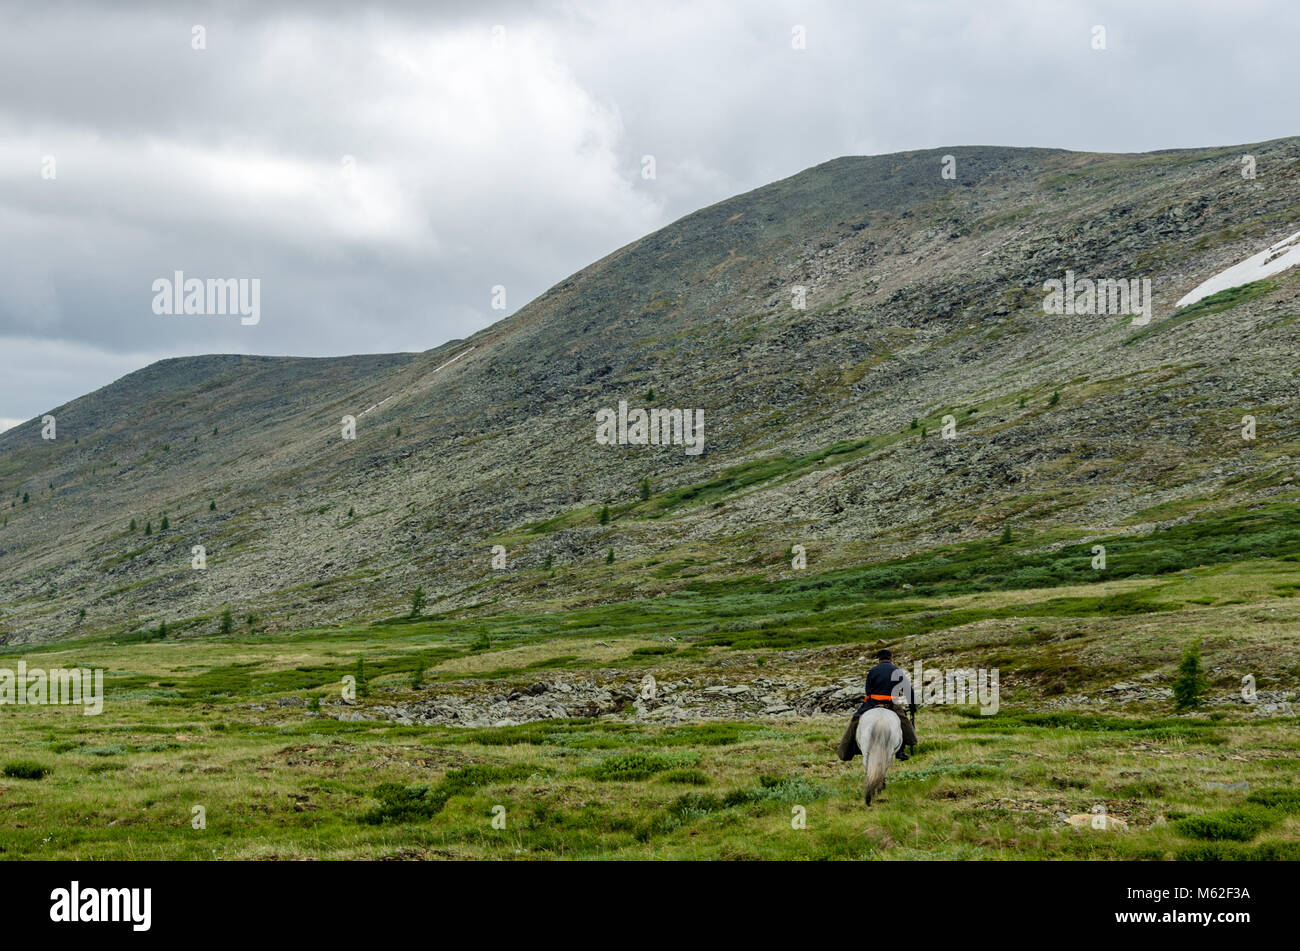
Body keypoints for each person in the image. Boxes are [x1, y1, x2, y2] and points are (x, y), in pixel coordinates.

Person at [837, 648, 918, 761]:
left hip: (872, 703)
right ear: (891, 658)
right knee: (903, 722)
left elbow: (868, 690)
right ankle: (904, 747)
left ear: (878, 660)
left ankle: (846, 752)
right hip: (892, 703)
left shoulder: (873, 671)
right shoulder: (897, 671)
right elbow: (908, 691)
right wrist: (913, 707)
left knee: (855, 721)